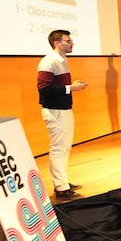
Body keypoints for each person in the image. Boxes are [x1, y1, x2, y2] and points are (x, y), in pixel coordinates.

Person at [37, 30, 86, 199]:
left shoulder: (62, 60)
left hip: (63, 109)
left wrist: (71, 86)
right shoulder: (48, 61)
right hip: (54, 111)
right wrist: (71, 88)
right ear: (57, 43)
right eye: (68, 41)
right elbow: (44, 89)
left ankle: (63, 182)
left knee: (65, 147)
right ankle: (60, 187)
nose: (71, 43)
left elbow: (56, 86)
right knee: (59, 148)